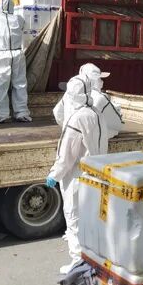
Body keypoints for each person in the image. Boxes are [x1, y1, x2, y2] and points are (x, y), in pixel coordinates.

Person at [46, 77, 105, 274]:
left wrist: (54, 174)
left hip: (77, 177)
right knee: (91, 219)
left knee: (74, 221)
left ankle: (78, 261)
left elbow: (66, 155)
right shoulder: (96, 113)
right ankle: (93, 257)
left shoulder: (76, 119)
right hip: (97, 175)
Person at [0, 0, 32, 123]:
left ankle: (1, 115)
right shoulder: (19, 19)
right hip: (16, 54)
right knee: (19, 84)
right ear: (13, 5)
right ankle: (21, 112)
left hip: (1, 55)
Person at [78, 63, 124, 141]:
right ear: (94, 81)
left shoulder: (75, 95)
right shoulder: (100, 98)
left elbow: (58, 114)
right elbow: (118, 125)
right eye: (100, 79)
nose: (102, 82)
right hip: (95, 139)